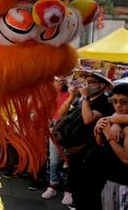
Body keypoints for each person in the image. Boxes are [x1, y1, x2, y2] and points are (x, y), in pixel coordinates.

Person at [68, 70, 115, 210]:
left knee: (87, 194)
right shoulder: (83, 100)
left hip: (91, 155)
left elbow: (88, 119)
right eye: (86, 81)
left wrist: (85, 98)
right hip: (76, 154)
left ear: (102, 86)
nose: (87, 84)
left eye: (92, 82)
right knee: (75, 188)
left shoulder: (104, 103)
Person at [94, 83, 128, 210]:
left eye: (123, 102)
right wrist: (99, 131)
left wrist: (108, 133)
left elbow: (126, 159)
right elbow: (100, 144)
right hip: (109, 178)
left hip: (122, 183)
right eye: (114, 101)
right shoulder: (112, 118)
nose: (118, 105)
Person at [41, 77, 72, 205]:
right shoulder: (50, 92)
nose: (61, 79)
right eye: (57, 77)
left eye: (65, 76)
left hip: (68, 127)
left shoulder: (74, 92)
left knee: (69, 161)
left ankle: (69, 190)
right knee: (54, 160)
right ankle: (53, 186)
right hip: (52, 127)